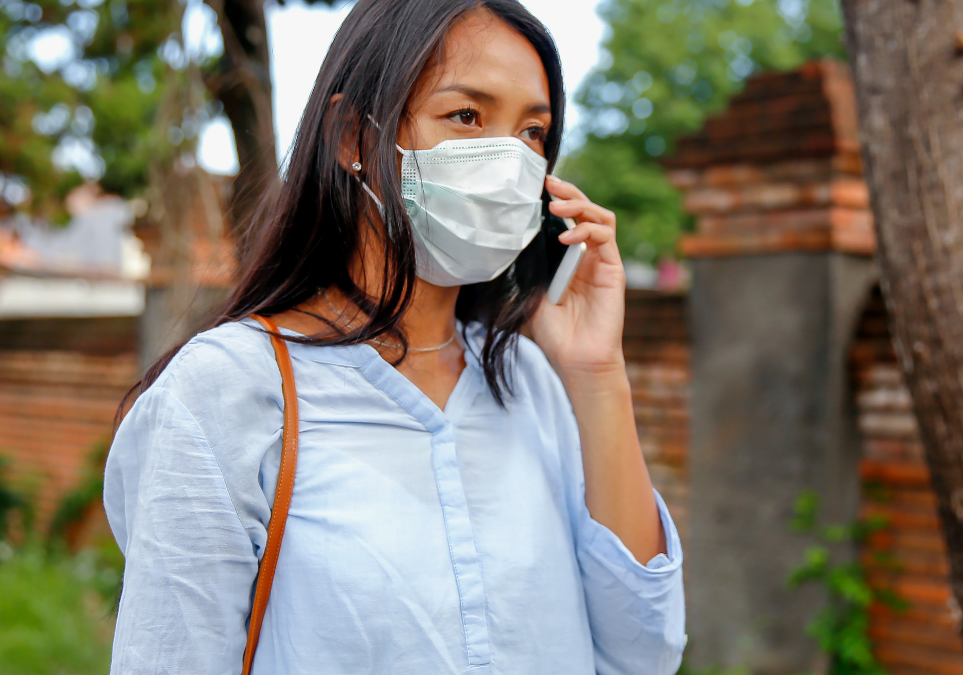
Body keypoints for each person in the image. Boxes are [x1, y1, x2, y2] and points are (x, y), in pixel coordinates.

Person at [102, 0, 686, 673]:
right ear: (353, 137)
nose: (510, 159)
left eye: (532, 131)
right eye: (467, 116)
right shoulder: (229, 390)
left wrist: (597, 374)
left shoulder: (533, 382)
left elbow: (646, 650)